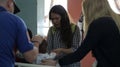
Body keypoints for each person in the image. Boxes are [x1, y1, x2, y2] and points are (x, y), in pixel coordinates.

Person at [41, 0, 120, 67]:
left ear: (90, 9)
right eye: (52, 19)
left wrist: (58, 63)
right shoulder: (111, 21)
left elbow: (80, 53)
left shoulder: (98, 24)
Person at [0, 0, 38, 67]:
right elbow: (30, 57)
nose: (13, 13)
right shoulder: (15, 21)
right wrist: (37, 43)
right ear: (10, 3)